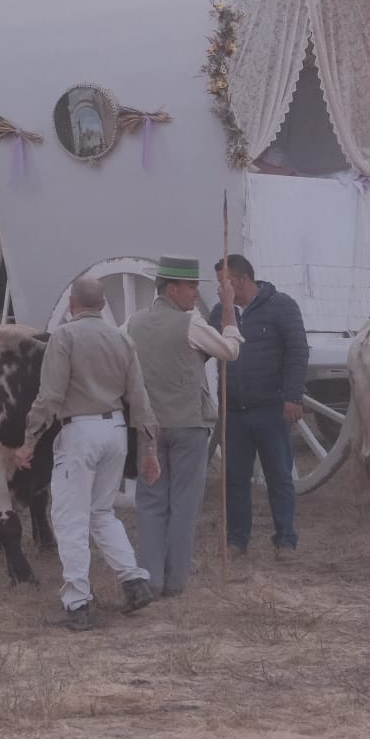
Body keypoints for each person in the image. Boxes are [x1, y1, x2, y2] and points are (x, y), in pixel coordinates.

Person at [17, 275, 160, 631]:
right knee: (102, 513)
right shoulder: (122, 339)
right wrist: (149, 448)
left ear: (72, 303)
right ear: (102, 304)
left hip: (79, 432)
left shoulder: (64, 336)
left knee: (70, 519)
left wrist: (29, 440)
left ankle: (78, 603)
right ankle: (134, 581)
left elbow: (50, 395)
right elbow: (139, 398)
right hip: (116, 432)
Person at [126, 255, 243, 597]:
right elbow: (230, 350)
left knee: (150, 504)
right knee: (184, 504)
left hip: (149, 428)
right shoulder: (190, 324)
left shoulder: (132, 323)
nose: (195, 293)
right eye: (190, 286)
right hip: (188, 425)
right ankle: (175, 581)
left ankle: (151, 578)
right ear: (171, 288)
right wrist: (229, 308)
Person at [211, 253, 308, 558]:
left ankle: (286, 539)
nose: (220, 289)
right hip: (234, 410)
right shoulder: (220, 313)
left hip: (271, 407)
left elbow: (297, 352)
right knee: (235, 479)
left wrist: (293, 397)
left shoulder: (282, 307)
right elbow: (208, 347)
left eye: (224, 283)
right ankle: (237, 539)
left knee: (278, 476)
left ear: (242, 280)